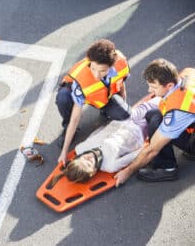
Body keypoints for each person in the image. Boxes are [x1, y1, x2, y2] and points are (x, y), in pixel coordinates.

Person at [114, 59, 195, 187]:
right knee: (152, 114)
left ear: (169, 85)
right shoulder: (188, 73)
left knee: (156, 120)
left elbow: (152, 150)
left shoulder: (178, 112)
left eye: (154, 87)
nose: (149, 90)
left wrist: (127, 171)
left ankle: (167, 169)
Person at [56, 39, 131, 164]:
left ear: (111, 66)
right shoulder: (81, 81)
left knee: (125, 114)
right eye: (93, 69)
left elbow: (121, 84)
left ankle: (105, 111)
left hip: (104, 95)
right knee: (63, 98)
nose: (96, 75)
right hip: (79, 92)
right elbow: (75, 118)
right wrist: (64, 152)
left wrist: (123, 103)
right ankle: (67, 129)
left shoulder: (121, 64)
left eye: (102, 71)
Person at [61, 97, 161, 183]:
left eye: (83, 158)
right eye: (89, 163)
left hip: (122, 120)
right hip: (138, 131)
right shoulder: (110, 165)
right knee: (161, 108)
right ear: (93, 171)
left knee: (155, 101)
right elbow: (134, 156)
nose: (88, 157)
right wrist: (149, 146)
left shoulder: (80, 148)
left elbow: (95, 134)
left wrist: (108, 123)